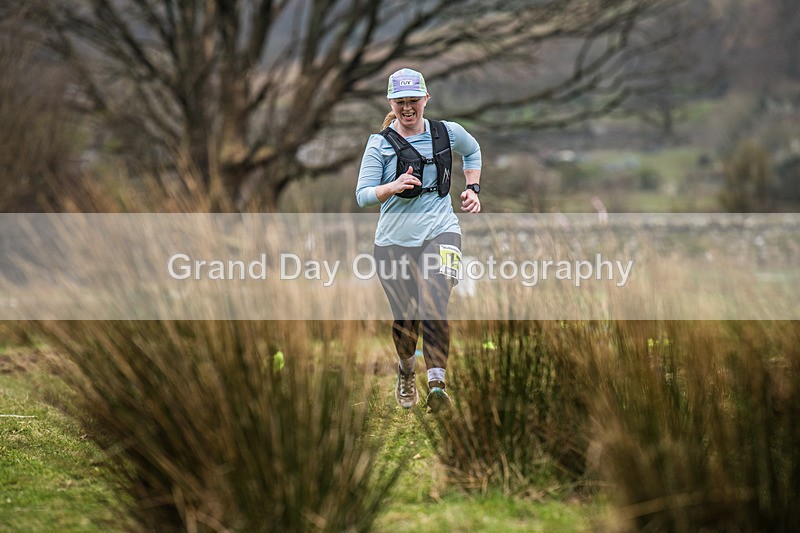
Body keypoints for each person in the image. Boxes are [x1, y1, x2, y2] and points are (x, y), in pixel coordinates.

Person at [355, 67, 482, 413]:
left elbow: (473, 151)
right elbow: (362, 195)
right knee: (405, 318)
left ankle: (438, 384)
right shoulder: (379, 144)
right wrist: (391, 187)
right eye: (400, 102)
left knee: (435, 301)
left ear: (426, 99)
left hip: (444, 230)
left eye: (413, 100)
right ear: (391, 103)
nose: (407, 108)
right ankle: (407, 370)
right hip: (392, 241)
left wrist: (472, 188)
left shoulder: (447, 133)